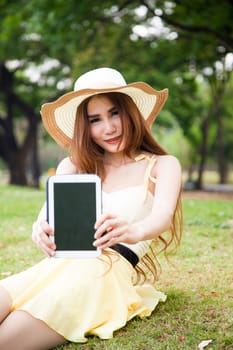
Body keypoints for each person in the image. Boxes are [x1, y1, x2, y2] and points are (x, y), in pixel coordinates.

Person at [0, 67, 183, 349]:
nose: (108, 128)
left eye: (114, 113)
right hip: (54, 268)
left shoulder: (161, 165)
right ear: (84, 127)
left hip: (102, 276)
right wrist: (40, 230)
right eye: (95, 120)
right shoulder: (73, 166)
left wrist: (133, 230)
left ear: (130, 112)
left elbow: (162, 219)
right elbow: (47, 217)